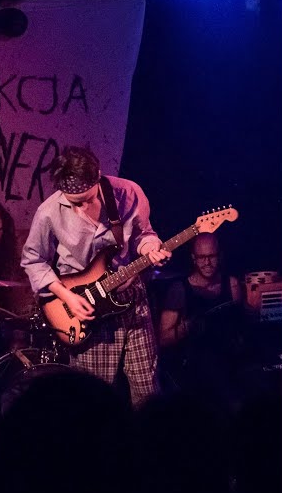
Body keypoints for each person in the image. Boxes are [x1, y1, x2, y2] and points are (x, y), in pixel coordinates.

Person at [21, 146, 171, 407]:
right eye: (74, 203)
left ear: (99, 176)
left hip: (132, 298)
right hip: (85, 306)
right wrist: (66, 296)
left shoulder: (128, 193)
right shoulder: (48, 212)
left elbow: (144, 234)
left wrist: (150, 248)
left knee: (148, 390)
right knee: (95, 397)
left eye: (88, 199)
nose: (83, 208)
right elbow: (33, 260)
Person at [158, 233, 242, 349]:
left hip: (227, 355)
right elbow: (163, 339)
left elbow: (240, 327)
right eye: (202, 257)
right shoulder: (179, 289)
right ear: (194, 258)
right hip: (194, 356)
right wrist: (187, 326)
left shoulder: (232, 284)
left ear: (220, 256)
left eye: (212, 256)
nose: (207, 263)